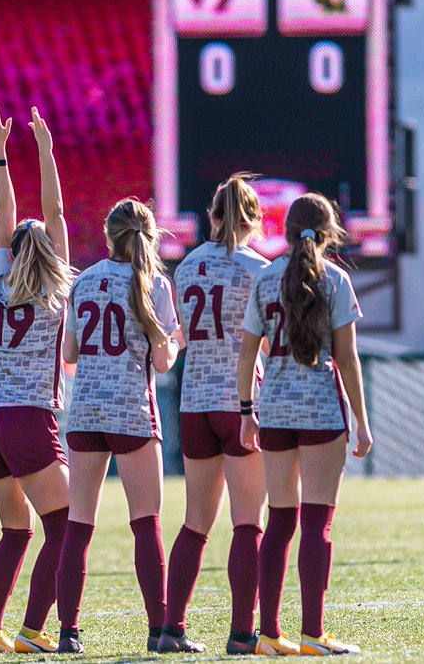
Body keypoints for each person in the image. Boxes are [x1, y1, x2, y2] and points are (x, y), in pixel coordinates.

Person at [237, 193, 372, 656]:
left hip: (274, 411)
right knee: (317, 523)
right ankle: (313, 634)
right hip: (320, 411)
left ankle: (270, 636)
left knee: (278, 521)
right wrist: (363, 421)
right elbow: (347, 361)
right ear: (329, 233)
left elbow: (247, 352)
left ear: (288, 232)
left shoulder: (264, 278)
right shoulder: (335, 280)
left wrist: (246, 410)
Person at [55, 198, 182, 654]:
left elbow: (69, 354)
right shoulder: (154, 284)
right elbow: (163, 363)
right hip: (131, 408)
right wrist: (174, 339)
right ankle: (159, 632)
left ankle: (67, 632)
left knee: (78, 524)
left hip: (86, 409)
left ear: (108, 235)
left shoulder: (84, 281)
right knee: (146, 523)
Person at [0, 107, 72, 654]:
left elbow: (7, 210)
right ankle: (33, 630)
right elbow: (52, 207)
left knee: (17, 530)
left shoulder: (1, 280)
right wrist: (45, 148)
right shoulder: (57, 290)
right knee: (62, 526)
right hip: (31, 417)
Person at [163, 174, 270, 654]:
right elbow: (268, 339)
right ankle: (242, 633)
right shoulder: (259, 269)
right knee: (248, 523)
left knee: (195, 522)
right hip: (241, 401)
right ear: (253, 218)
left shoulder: (186, 268)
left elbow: (181, 334)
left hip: (194, 402)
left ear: (213, 216)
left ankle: (171, 628)